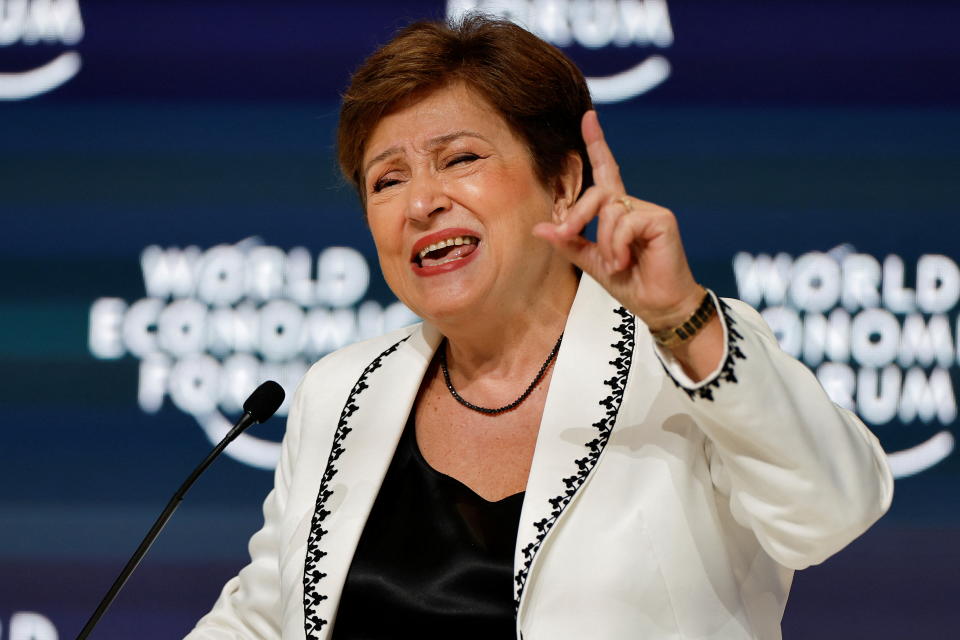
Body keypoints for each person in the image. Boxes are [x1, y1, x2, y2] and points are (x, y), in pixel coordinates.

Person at [186, 15, 892, 640]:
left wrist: (682, 318)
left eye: (460, 159)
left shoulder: (688, 355)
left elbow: (831, 512)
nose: (422, 201)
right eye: (386, 179)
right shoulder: (340, 391)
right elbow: (262, 618)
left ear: (561, 183)